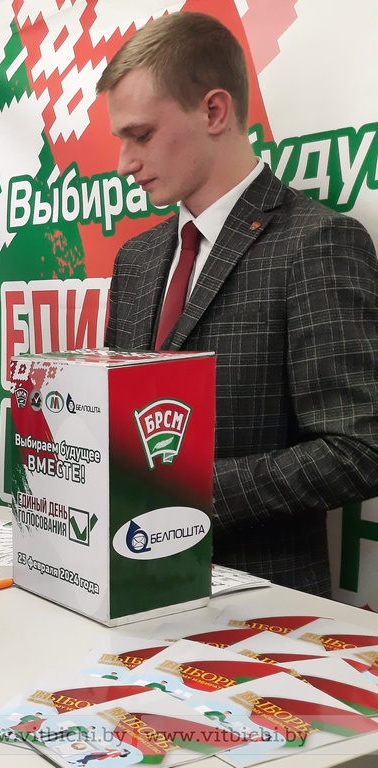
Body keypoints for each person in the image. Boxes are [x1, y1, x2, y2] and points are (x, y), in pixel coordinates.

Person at [96, 11, 378, 595]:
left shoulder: (317, 243)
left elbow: (358, 450)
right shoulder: (136, 259)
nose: (124, 163)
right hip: (128, 587)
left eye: (141, 135)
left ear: (214, 112)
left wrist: (188, 494)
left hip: (260, 605)